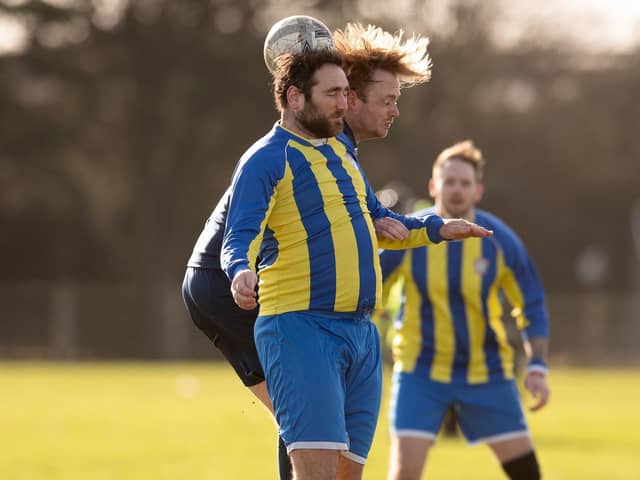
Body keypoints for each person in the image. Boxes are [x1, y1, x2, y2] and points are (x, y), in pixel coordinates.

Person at [220, 48, 492, 480]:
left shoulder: (340, 154)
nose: (343, 103)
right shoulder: (267, 158)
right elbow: (239, 235)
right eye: (333, 93)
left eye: (347, 93)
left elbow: (387, 226)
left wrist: (440, 228)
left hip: (361, 336)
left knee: (348, 476)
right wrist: (239, 270)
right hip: (302, 328)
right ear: (294, 98)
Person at [379, 140, 550, 480]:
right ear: (433, 186)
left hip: (485, 372)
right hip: (419, 371)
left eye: (465, 183)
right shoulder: (409, 235)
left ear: (478, 190)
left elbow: (530, 303)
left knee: (527, 474)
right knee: (404, 474)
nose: (457, 190)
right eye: (449, 181)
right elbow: (369, 290)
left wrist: (537, 366)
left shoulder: (499, 239)